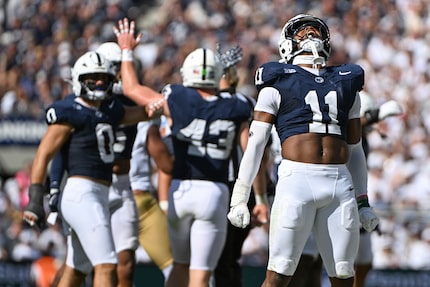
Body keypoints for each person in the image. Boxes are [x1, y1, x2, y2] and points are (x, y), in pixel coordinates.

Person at [226, 14, 379, 287]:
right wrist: (240, 196)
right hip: (296, 179)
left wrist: (363, 200)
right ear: (287, 44)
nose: (310, 34)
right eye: (301, 32)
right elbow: (256, 144)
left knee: (344, 274)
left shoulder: (346, 81)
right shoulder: (276, 80)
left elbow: (355, 149)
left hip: (338, 181)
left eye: (315, 31)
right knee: (279, 274)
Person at [113, 17, 268, 287]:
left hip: (181, 191)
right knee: (200, 276)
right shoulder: (238, 105)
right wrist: (260, 198)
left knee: (180, 267)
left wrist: (126, 50)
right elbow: (252, 155)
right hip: (214, 193)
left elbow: (132, 89)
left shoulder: (176, 97)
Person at [22, 50, 159, 287]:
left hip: (97, 194)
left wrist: (163, 101)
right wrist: (35, 197)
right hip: (82, 194)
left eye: (103, 78)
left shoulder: (110, 110)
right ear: (78, 79)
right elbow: (43, 155)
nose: (98, 83)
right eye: (92, 77)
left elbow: (142, 113)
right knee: (106, 266)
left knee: (76, 270)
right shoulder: (70, 112)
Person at [213, 44, 270, 287]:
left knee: (211, 262)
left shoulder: (196, 100)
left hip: (203, 184)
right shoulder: (244, 103)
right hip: (236, 188)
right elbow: (252, 153)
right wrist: (260, 198)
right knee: (228, 260)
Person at [129, 118, 174, 284]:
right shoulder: (144, 122)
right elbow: (166, 163)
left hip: (117, 198)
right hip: (136, 199)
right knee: (175, 265)